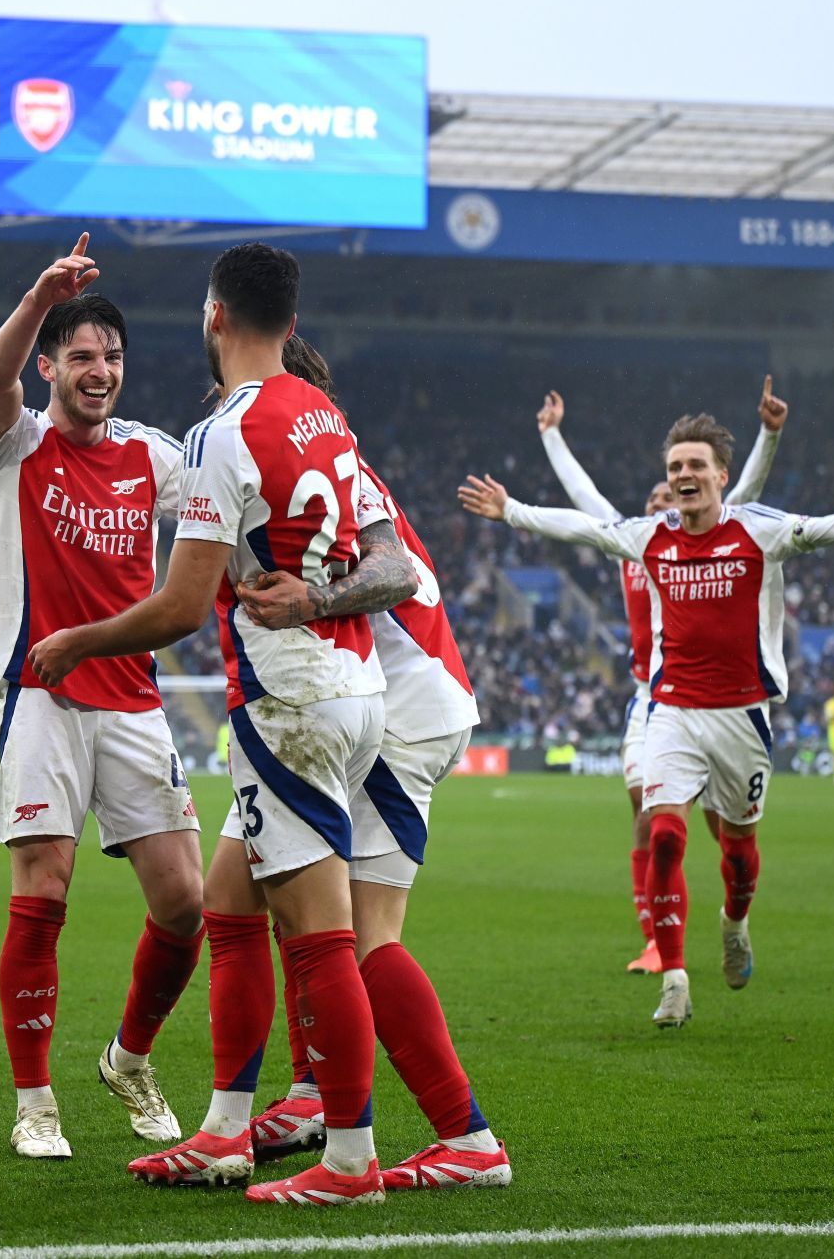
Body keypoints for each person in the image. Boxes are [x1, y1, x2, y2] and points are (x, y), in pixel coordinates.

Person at [27, 243, 420, 1205]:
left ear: (214, 317)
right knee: (230, 899)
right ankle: (226, 1131)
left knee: (321, 934)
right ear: (289, 321)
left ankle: (351, 1160)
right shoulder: (326, 414)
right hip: (355, 689)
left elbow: (177, 605)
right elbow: (395, 567)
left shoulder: (222, 433)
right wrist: (325, 597)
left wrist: (77, 639)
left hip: (288, 705)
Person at [460, 413, 834, 1029]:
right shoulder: (650, 536)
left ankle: (735, 923)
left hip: (742, 717)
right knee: (664, 834)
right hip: (671, 709)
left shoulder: (757, 530)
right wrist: (512, 509)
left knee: (737, 851)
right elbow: (586, 525)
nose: (683, 476)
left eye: (695, 466)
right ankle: (675, 978)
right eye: (675, 467)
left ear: (721, 476)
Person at [237, 337, 509, 1191]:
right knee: (293, 895)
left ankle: (467, 1137)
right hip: (402, 701)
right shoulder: (334, 461)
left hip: (404, 710)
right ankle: (316, 1089)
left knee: (356, 938)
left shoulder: (320, 461)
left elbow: (388, 573)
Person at [0, 235, 207, 1160]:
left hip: (135, 703)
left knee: (186, 902)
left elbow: (223, 512)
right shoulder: (17, 444)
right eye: (81, 357)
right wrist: (39, 293)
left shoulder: (155, 459)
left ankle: (129, 1058)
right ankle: (35, 1101)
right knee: (44, 888)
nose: (99, 370)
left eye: (110, 356)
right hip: (43, 696)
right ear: (51, 368)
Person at [534, 378, 784, 974]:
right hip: (653, 700)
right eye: (650, 501)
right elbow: (581, 496)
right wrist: (551, 437)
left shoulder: (704, 535)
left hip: (716, 702)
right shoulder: (636, 543)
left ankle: (731, 911)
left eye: (663, 500)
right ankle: (657, 942)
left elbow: (744, 490)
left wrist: (769, 435)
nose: (658, 506)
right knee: (650, 819)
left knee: (726, 830)